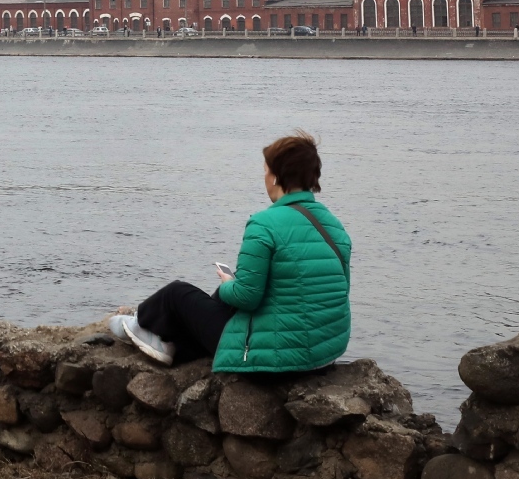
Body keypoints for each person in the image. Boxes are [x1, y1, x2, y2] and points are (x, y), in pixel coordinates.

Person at [108, 131, 351, 373]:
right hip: (323, 354)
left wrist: (228, 284)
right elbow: (332, 290)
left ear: (277, 176)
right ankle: (171, 344)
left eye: (265, 170)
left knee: (177, 293)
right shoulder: (334, 226)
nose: (264, 176)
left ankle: (140, 324)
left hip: (276, 362)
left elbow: (247, 297)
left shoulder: (264, 224)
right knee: (222, 299)